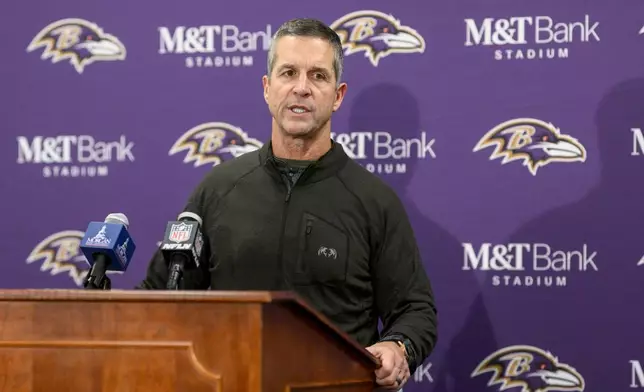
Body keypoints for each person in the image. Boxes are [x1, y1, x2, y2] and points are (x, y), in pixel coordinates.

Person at [137, 17, 438, 390]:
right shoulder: (218, 189)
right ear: (267, 88)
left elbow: (416, 311)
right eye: (288, 73)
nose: (301, 88)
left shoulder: (375, 202)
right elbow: (160, 294)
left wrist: (398, 346)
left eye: (317, 76)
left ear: (338, 94)